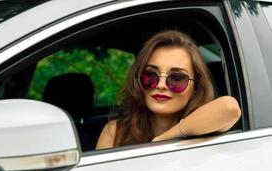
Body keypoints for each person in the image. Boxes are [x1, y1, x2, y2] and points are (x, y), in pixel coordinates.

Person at [96, 30, 241, 149]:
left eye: (177, 78)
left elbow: (230, 108)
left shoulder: (208, 125)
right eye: (151, 75)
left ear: (195, 87)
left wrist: (162, 140)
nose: (161, 85)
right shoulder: (115, 131)